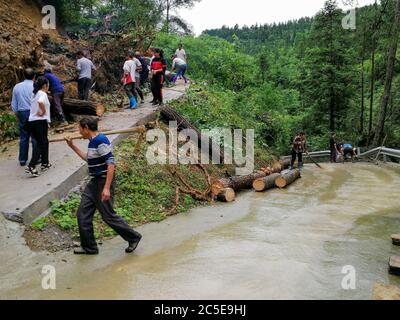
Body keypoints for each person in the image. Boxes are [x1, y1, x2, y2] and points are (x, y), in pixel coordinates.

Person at [65, 117, 142, 255]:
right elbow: (88, 159)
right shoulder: (92, 142)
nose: (79, 132)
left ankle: (133, 237)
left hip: (103, 182)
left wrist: (106, 188)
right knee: (83, 213)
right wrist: (72, 146)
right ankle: (90, 247)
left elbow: (111, 163)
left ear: (86, 128)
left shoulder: (101, 140)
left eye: (80, 129)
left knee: (108, 216)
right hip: (94, 183)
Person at [26, 76, 52, 177]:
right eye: (48, 85)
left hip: (32, 121)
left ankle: (45, 163)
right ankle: (31, 166)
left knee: (44, 142)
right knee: (41, 144)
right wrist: (43, 111)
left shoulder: (34, 93)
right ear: (45, 85)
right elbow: (40, 102)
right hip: (39, 122)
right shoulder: (42, 94)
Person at [11, 68, 37, 167]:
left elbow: (14, 104)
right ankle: (36, 157)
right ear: (34, 76)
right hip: (33, 111)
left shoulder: (17, 87)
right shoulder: (35, 86)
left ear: (24, 76)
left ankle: (22, 159)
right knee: (35, 135)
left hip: (22, 112)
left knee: (24, 136)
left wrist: (17, 114)